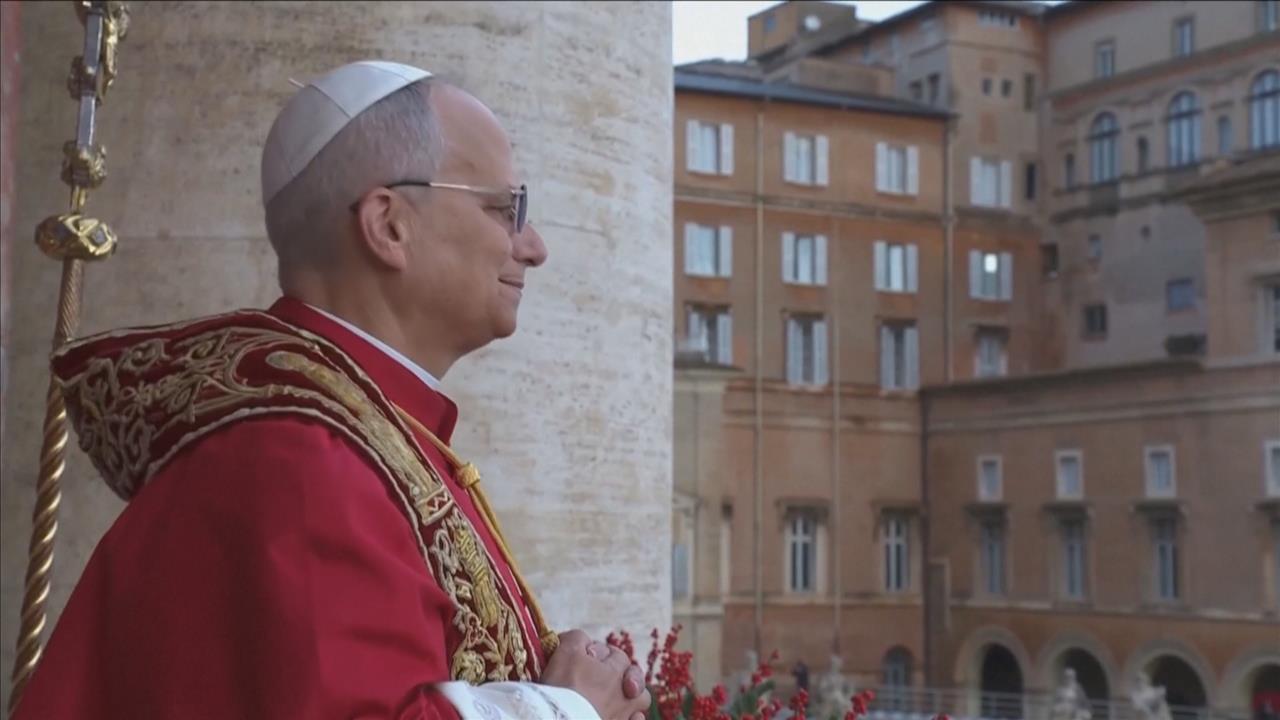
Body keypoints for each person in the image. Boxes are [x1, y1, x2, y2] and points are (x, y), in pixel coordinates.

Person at [12, 60, 651, 720]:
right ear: (389, 225)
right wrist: (566, 708)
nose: (535, 246)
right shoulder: (301, 454)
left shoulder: (362, 429)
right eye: (506, 208)